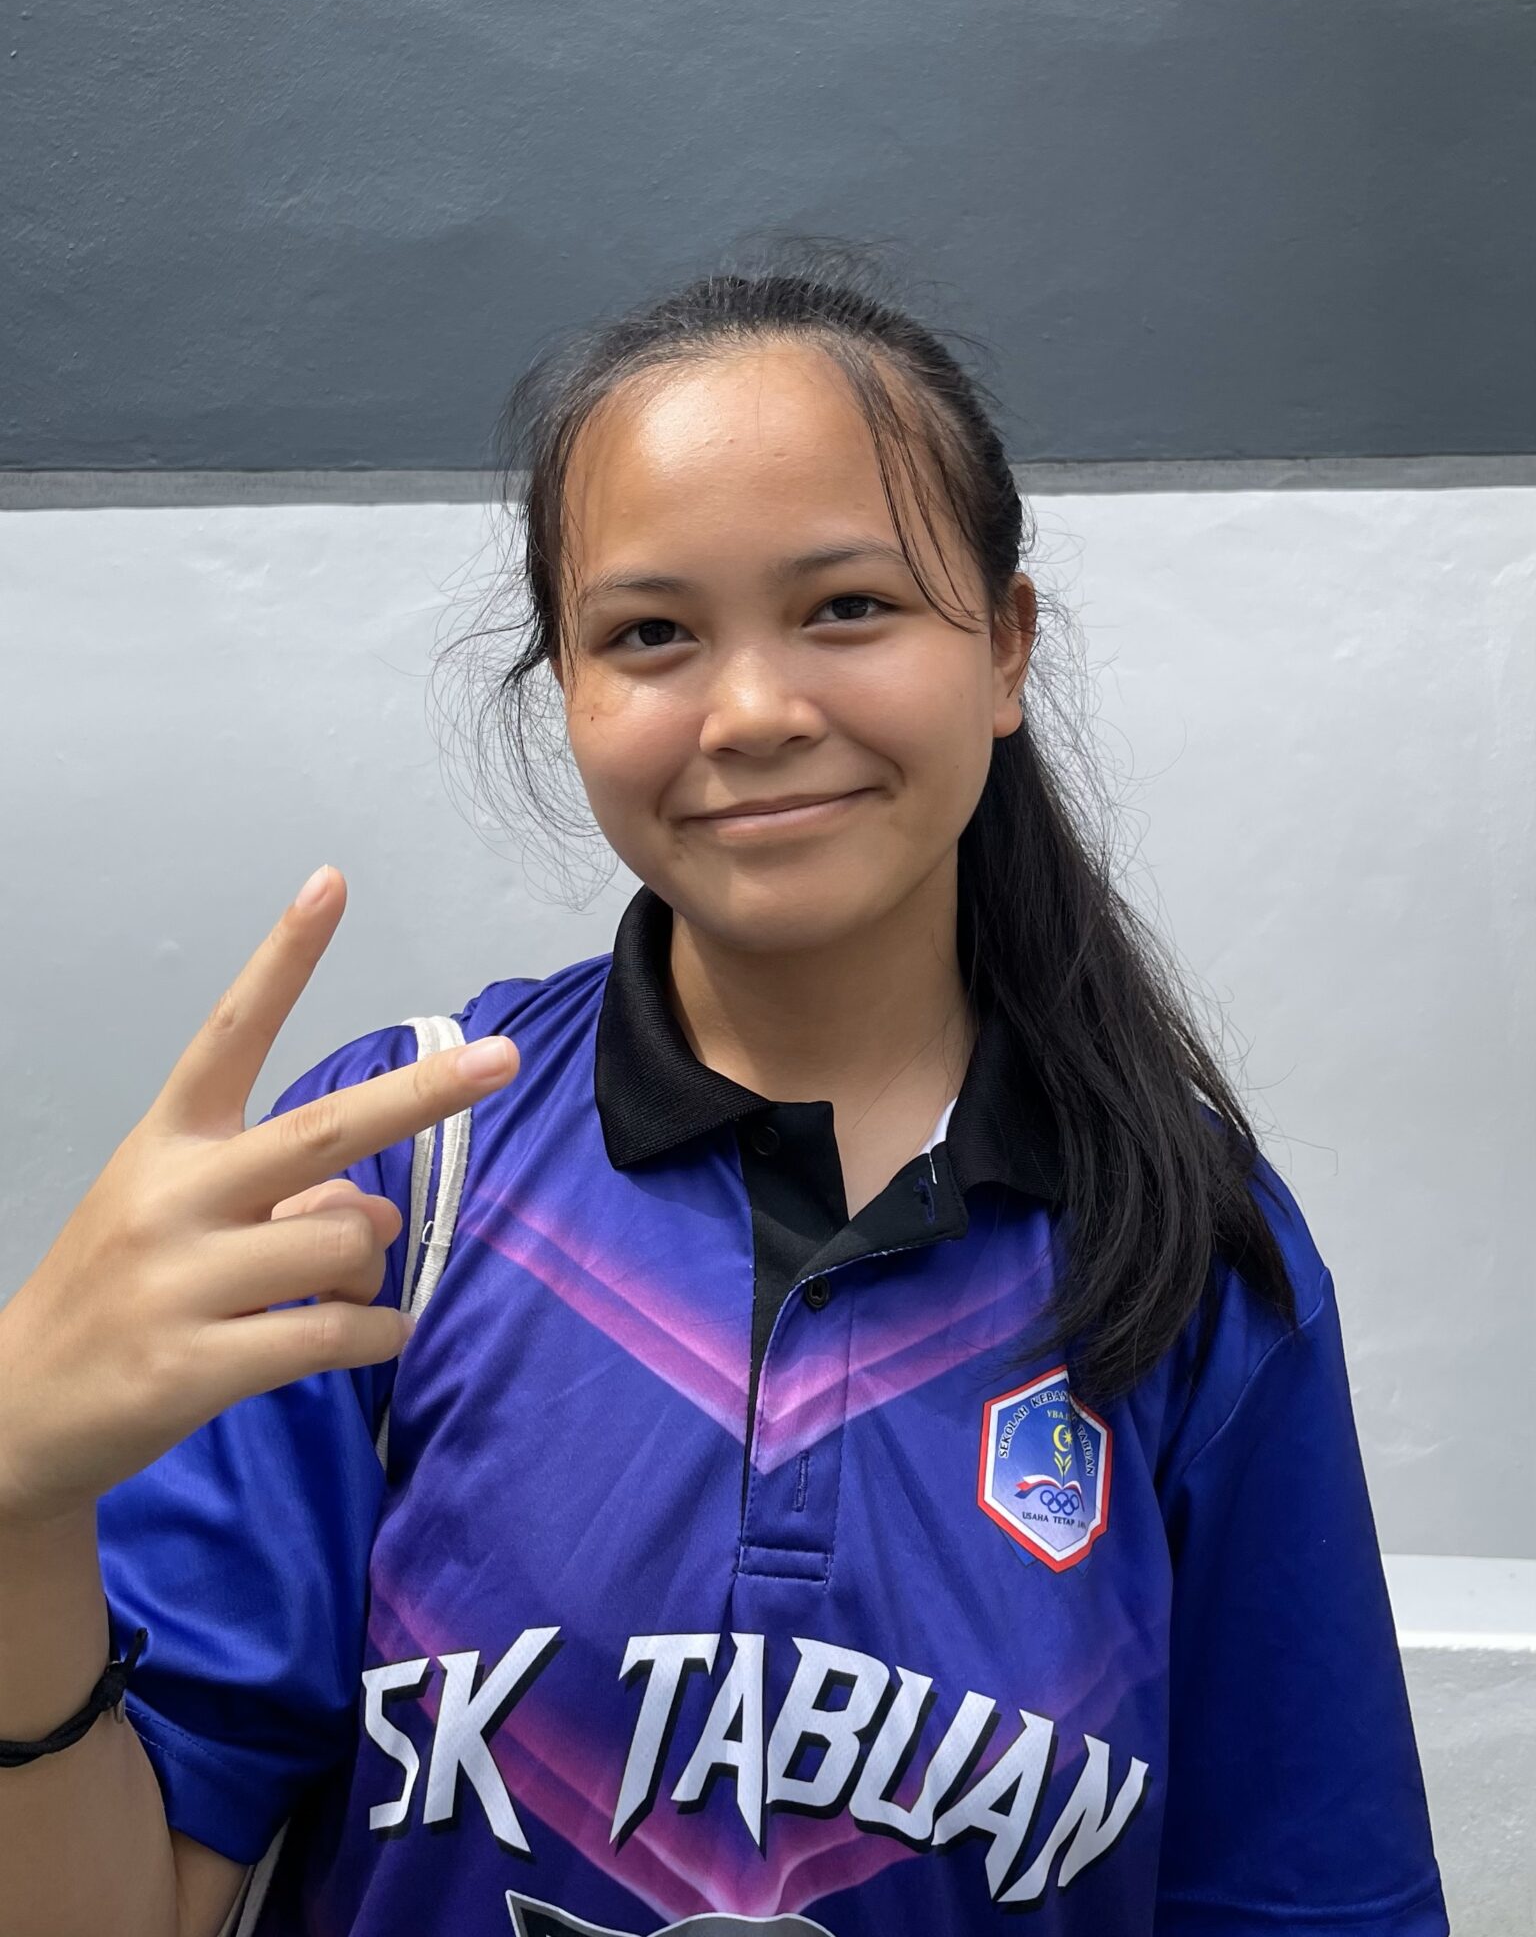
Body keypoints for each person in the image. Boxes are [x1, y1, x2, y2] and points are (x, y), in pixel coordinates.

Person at [0, 244, 1450, 1936]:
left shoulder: (1186, 1246)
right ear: (568, 691)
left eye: (849, 607)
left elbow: (1307, 1903)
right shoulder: (396, 1182)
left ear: (1004, 647)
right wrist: (18, 1505)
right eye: (651, 634)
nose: (753, 711)